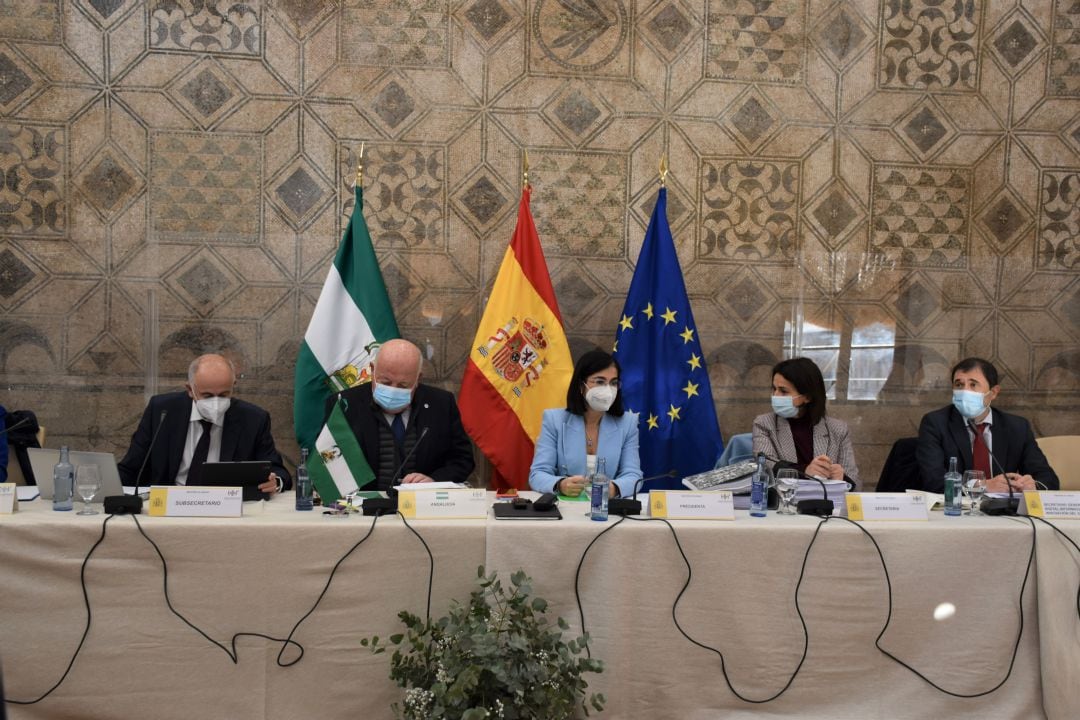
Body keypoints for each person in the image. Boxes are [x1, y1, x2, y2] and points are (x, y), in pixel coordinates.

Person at [118, 354, 291, 494]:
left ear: (233, 386)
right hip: (168, 505)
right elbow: (131, 468)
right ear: (190, 390)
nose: (216, 402)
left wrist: (275, 482)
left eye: (224, 395)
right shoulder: (162, 412)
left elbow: (279, 472)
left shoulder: (253, 419)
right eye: (207, 396)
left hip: (224, 508)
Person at [333, 338, 474, 490]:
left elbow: (462, 460)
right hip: (362, 509)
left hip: (423, 507)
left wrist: (434, 480)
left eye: (403, 385)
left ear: (418, 379)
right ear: (373, 370)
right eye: (385, 382)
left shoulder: (441, 404)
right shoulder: (344, 405)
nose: (393, 389)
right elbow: (328, 461)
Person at [916, 357, 1058, 493]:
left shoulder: (1017, 427)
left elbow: (1049, 479)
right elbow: (933, 481)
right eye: (959, 385)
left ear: (993, 392)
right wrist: (982, 485)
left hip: (1003, 513)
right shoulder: (935, 423)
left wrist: (1032, 486)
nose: (965, 391)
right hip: (956, 512)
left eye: (973, 385)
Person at [529, 349, 642, 498]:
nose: (608, 390)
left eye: (613, 383)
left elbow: (633, 475)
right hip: (565, 508)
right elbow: (537, 474)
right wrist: (560, 485)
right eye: (600, 382)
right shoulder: (554, 420)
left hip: (606, 511)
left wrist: (613, 488)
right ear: (581, 386)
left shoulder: (628, 423)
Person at [752, 357, 861, 490]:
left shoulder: (838, 429)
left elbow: (855, 483)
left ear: (807, 397)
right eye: (774, 389)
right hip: (783, 502)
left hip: (824, 505)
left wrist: (842, 478)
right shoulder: (764, 424)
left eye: (783, 391)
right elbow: (765, 464)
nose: (775, 395)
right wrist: (806, 471)